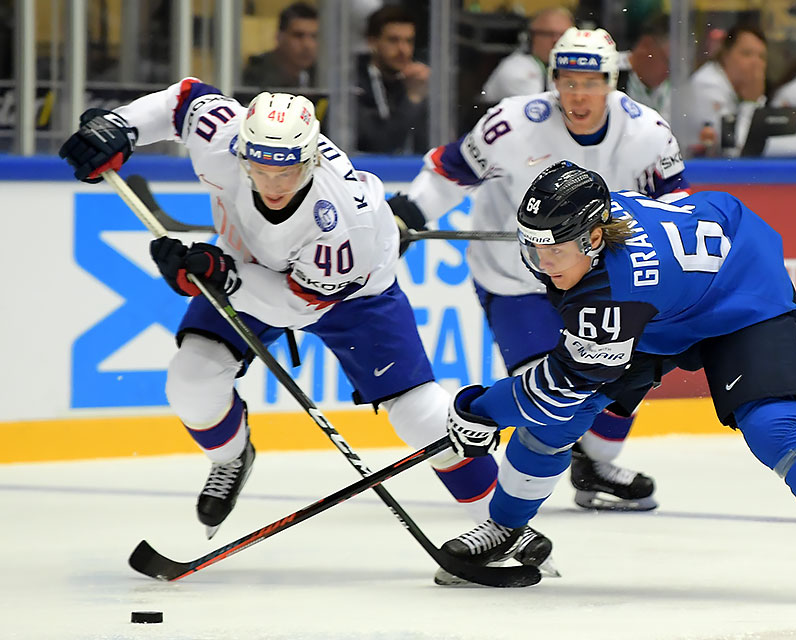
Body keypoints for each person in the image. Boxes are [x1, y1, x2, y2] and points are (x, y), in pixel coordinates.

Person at [57, 80, 552, 571]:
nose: (272, 183)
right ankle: (232, 457)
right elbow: (184, 99)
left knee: (419, 415)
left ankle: (507, 526)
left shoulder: (343, 224)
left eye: (287, 168)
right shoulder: (224, 139)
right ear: (241, 148)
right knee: (190, 381)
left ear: (312, 157)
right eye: (259, 165)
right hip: (247, 263)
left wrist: (219, 276)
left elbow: (298, 307)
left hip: (354, 294)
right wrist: (119, 128)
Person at [439, 160, 796, 608]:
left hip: (743, 292)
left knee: (773, 426)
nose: (542, 264)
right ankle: (505, 528)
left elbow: (553, 388)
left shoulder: (614, 292)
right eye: (533, 246)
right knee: (563, 417)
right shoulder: (591, 247)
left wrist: (475, 410)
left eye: (554, 250)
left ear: (592, 238)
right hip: (666, 305)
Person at [390, 27, 689, 520]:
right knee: (545, 391)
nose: (578, 94)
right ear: (551, 80)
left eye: (590, 81)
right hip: (518, 278)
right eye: (567, 81)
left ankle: (592, 465)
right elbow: (451, 171)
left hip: (606, 281)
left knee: (619, 383)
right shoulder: (512, 124)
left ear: (612, 82)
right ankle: (521, 493)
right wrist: (408, 214)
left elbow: (675, 210)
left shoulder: (649, 134)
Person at [675, 23, 768, 157]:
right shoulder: (707, 85)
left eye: (762, 57)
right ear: (725, 54)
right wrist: (751, 103)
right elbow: (735, 150)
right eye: (747, 54)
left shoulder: (736, 89)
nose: (756, 63)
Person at [356, 5, 430, 154]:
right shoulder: (354, 82)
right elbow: (377, 144)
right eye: (393, 40)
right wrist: (412, 100)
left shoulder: (419, 80)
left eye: (408, 41)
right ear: (372, 42)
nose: (403, 49)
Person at [480, 7, 575, 104]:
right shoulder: (514, 69)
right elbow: (540, 109)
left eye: (564, 35)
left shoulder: (567, 70)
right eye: (549, 34)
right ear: (529, 37)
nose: (557, 41)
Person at [241, 2, 319, 89]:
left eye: (314, 36)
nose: (307, 45)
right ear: (279, 37)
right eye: (298, 35)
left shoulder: (321, 75)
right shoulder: (254, 76)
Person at [618, 13, 671, 116]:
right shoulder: (607, 73)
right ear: (646, 45)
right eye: (667, 62)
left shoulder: (670, 90)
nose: (668, 72)